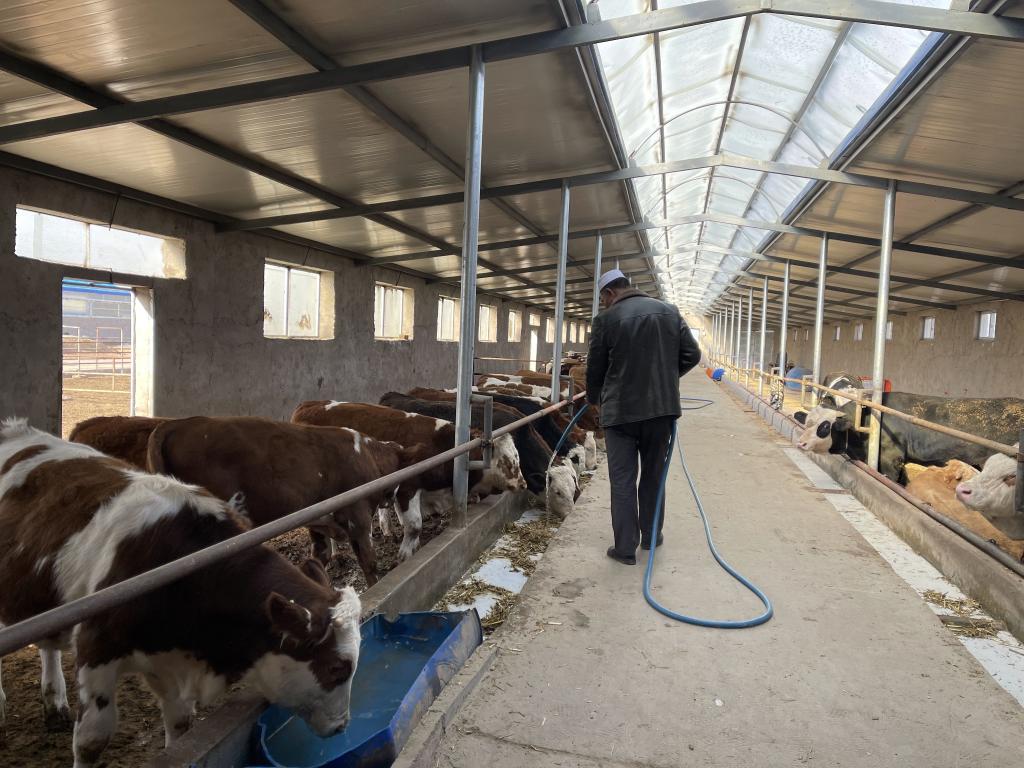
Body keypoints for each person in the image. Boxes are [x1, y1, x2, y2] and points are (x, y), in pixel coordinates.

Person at [586, 269, 702, 565]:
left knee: (622, 480)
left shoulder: (606, 320)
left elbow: (595, 369)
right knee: (653, 475)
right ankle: (651, 536)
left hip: (620, 414)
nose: (604, 304)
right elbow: (692, 355)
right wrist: (665, 378)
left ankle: (625, 548)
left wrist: (595, 401)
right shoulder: (669, 312)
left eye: (603, 299)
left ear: (610, 293)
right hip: (660, 412)